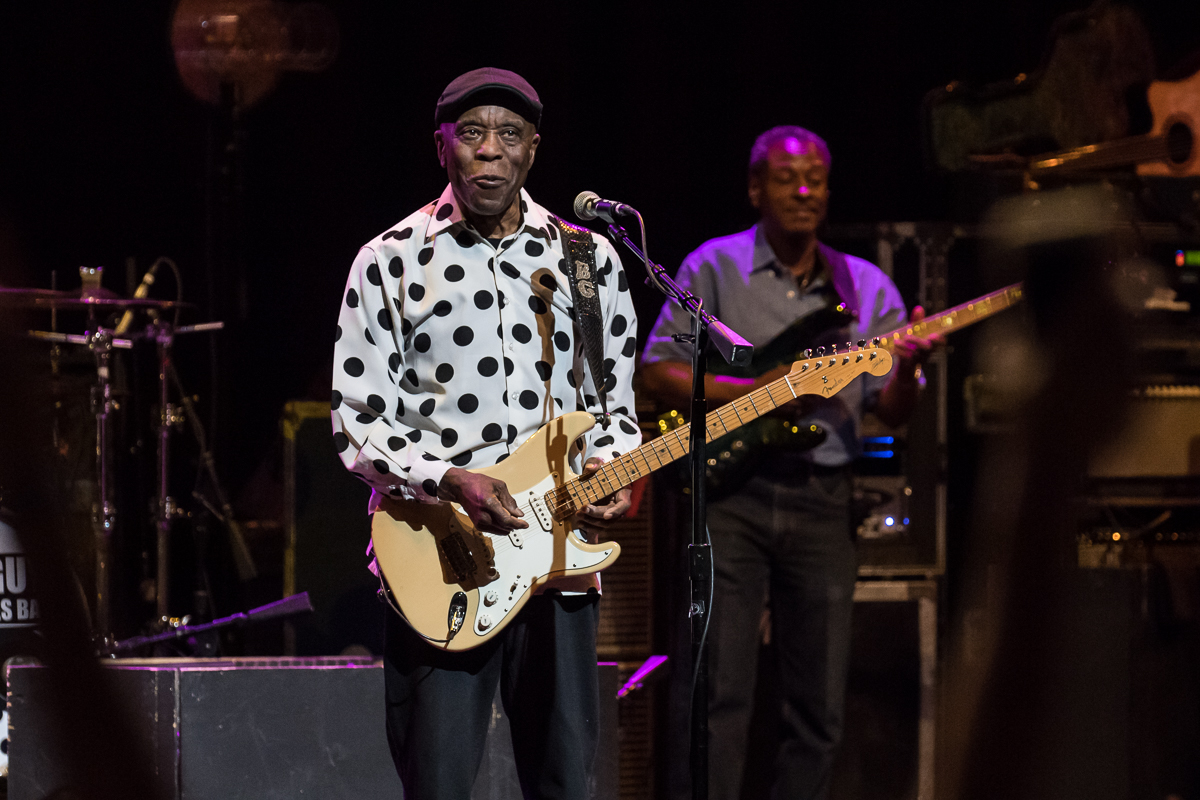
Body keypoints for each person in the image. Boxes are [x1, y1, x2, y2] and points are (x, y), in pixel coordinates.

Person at [331, 68, 641, 799]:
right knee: (438, 783)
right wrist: (449, 478)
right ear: (441, 147)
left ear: (534, 149)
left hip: (560, 563)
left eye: (509, 136)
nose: (491, 152)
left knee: (566, 782)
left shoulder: (587, 262)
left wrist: (617, 472)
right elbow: (357, 419)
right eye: (471, 135)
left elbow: (614, 410)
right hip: (442, 558)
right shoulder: (391, 260)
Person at [641, 125, 938, 800]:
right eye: (787, 178)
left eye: (817, 180)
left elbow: (892, 413)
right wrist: (764, 396)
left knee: (819, 711)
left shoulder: (864, 287)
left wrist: (909, 369)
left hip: (824, 500)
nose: (805, 192)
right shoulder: (711, 268)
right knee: (716, 696)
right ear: (755, 188)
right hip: (730, 500)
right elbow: (657, 373)